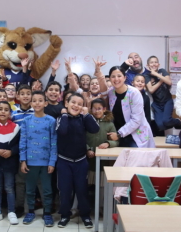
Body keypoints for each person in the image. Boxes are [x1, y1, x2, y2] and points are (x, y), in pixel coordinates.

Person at [56, 92, 99, 228]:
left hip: (81, 160)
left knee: (82, 189)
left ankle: (85, 215)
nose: (76, 106)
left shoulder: (83, 118)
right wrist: (64, 114)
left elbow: (95, 129)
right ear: (66, 104)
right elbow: (62, 131)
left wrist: (86, 114)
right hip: (64, 160)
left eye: (80, 104)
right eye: (73, 102)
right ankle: (64, 215)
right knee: (65, 190)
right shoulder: (61, 117)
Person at [19, 91, 57, 227]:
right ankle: (30, 212)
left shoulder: (51, 121)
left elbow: (54, 142)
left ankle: (47, 213)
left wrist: (52, 162)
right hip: (30, 162)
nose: (37, 103)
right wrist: (23, 160)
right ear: (30, 103)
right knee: (30, 189)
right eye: (34, 101)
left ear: (45, 103)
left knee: (47, 190)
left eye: (40, 100)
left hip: (46, 162)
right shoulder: (26, 121)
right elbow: (22, 141)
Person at [100, 66, 155, 148]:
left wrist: (119, 134)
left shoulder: (134, 93)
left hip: (136, 135)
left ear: (125, 78)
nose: (116, 79)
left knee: (134, 158)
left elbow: (136, 120)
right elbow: (103, 93)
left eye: (119, 76)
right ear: (110, 79)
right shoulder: (111, 92)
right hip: (117, 135)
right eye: (113, 76)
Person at [86, 98, 118, 210]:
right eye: (94, 109)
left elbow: (116, 141)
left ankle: (101, 208)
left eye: (99, 109)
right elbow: (81, 138)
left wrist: (108, 143)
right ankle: (86, 208)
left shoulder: (109, 124)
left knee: (102, 186)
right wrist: (87, 149)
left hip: (104, 163)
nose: (96, 111)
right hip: (89, 162)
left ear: (104, 109)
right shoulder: (87, 121)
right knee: (87, 185)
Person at [11, 84, 34, 218]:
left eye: (28, 93)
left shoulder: (36, 112)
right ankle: (19, 206)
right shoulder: (13, 113)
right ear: (17, 96)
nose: (25, 96)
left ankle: (33, 206)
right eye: (22, 93)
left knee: (35, 181)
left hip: (34, 151)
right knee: (20, 181)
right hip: (18, 152)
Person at [145, 55, 181, 131]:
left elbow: (169, 82)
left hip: (167, 101)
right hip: (157, 104)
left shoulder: (162, 71)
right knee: (161, 126)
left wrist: (156, 74)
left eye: (156, 62)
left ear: (158, 64)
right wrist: (161, 80)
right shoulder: (146, 76)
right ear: (148, 65)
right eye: (151, 62)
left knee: (167, 121)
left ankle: (178, 122)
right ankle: (174, 124)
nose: (154, 64)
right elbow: (151, 90)